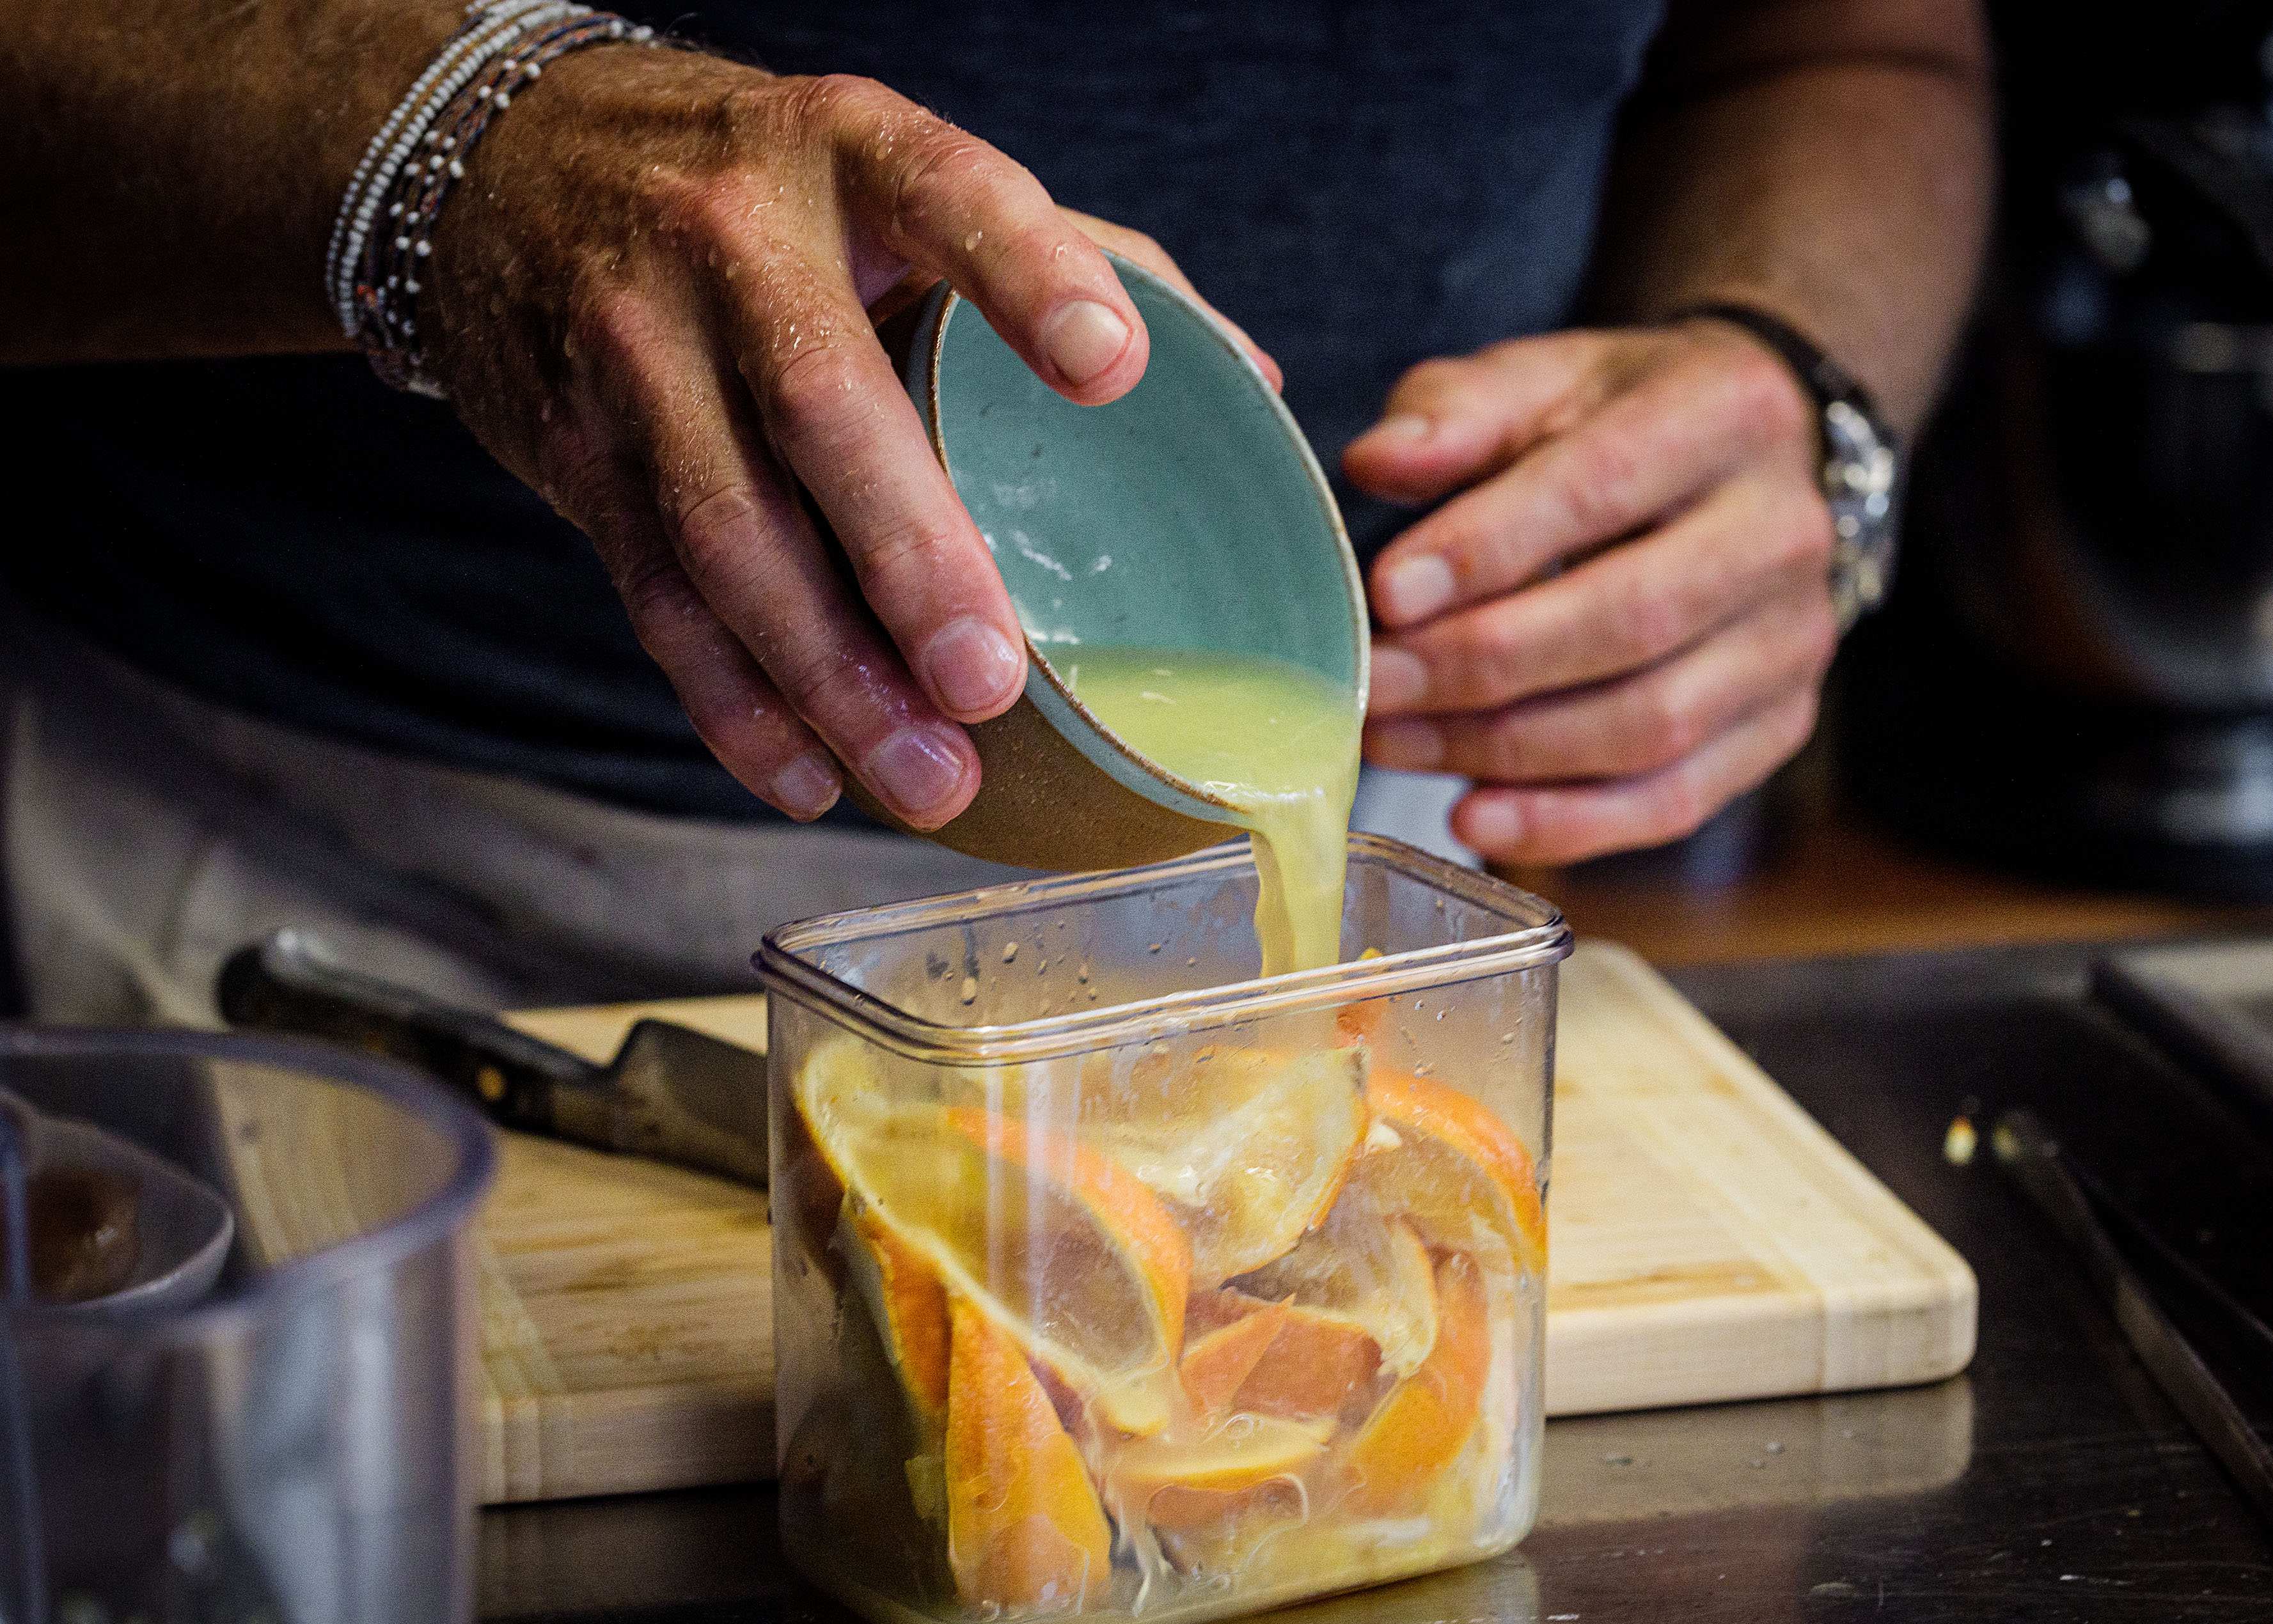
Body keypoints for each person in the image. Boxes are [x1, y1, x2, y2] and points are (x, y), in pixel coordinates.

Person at [0, 1, 1991, 1022]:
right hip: (329, 891)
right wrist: (454, 156)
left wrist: (1795, 382)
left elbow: (1845, 39)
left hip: (1355, 869)